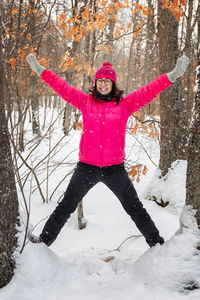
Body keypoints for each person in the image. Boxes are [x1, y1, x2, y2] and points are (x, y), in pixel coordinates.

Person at [27, 53, 189, 247]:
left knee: (134, 207)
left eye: (107, 81)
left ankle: (157, 243)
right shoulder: (85, 102)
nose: (103, 84)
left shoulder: (125, 105)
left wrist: (172, 76)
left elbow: (150, 90)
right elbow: (61, 87)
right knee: (66, 205)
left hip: (115, 170)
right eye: (100, 81)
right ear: (95, 84)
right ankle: (43, 242)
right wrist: (40, 70)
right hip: (86, 168)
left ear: (113, 84)